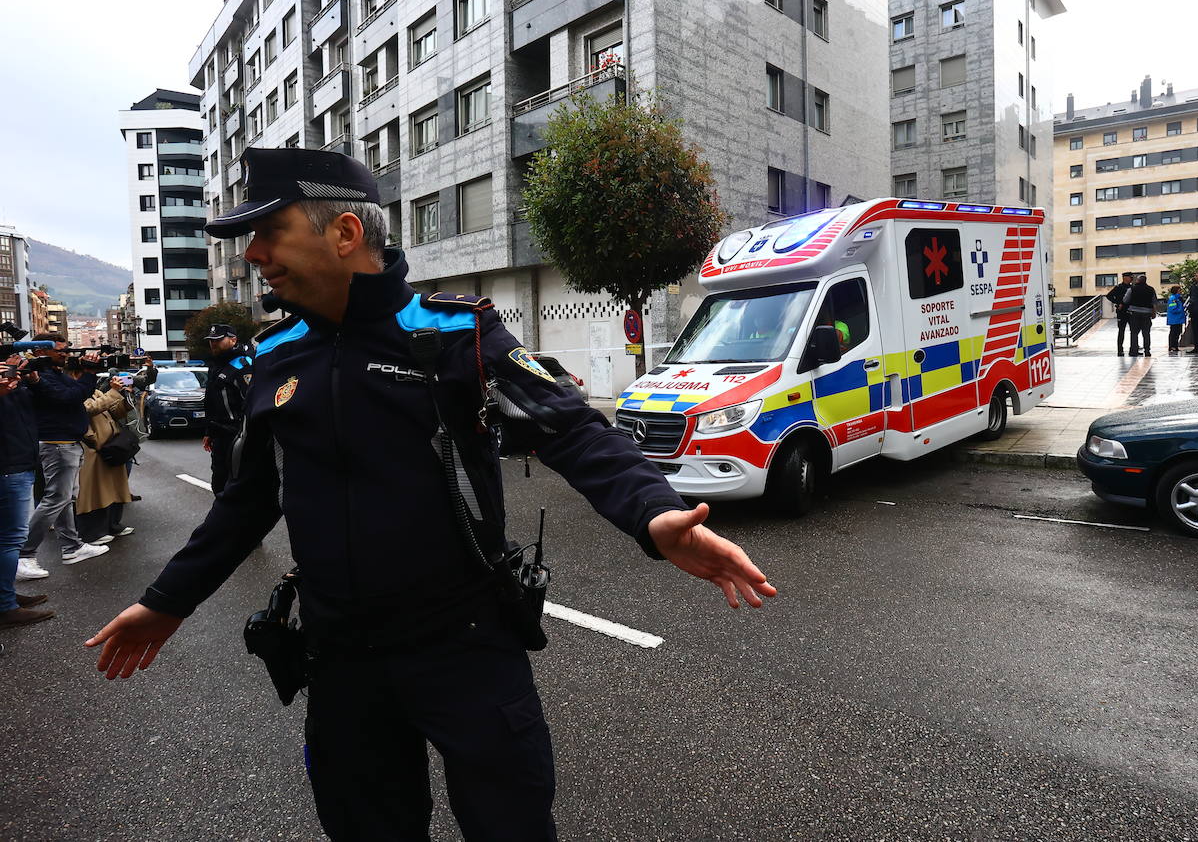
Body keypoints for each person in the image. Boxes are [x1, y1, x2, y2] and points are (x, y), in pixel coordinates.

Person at [86, 146, 776, 842]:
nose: (253, 254)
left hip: (467, 646)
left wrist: (654, 513)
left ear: (345, 233)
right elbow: (248, 499)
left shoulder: (454, 334)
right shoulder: (274, 355)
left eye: (270, 232)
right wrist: (166, 601)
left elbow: (570, 428)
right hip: (341, 660)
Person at [16, 336, 109, 579]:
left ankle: (72, 547)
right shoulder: (39, 377)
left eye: (66, 350)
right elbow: (70, 397)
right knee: (55, 499)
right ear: (40, 351)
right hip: (57, 444)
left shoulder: (55, 374)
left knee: (66, 498)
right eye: (60, 351)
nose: (65, 354)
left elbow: (76, 393)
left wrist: (85, 376)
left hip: (68, 443)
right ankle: (24, 555)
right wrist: (88, 374)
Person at [0, 352, 52, 627]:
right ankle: (5, 606)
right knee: (10, 540)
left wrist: (30, 379)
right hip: (9, 466)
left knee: (7, 539)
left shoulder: (14, 384)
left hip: (20, 461)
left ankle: (6, 596)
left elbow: (44, 404)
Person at [74, 373, 142, 546]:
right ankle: (91, 533)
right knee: (95, 491)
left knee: (114, 488)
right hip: (93, 448)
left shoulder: (94, 391)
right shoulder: (75, 392)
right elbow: (91, 408)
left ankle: (112, 525)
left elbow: (113, 412)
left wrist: (126, 397)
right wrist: (113, 391)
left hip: (111, 446)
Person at [202, 324, 254, 495]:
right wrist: (209, 431)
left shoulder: (242, 365)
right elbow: (212, 402)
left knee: (238, 486)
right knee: (219, 484)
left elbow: (252, 402)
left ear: (233, 340)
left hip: (239, 435)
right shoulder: (216, 365)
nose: (213, 344)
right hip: (220, 436)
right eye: (211, 340)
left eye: (218, 340)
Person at [1124, 274, 1157, 357]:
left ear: (1138, 280)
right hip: (1147, 313)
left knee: (1134, 333)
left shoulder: (1132, 289)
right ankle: (1147, 351)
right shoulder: (1151, 289)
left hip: (1134, 313)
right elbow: (1154, 302)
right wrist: (1154, 312)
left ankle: (1134, 351)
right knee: (1146, 333)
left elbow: (1125, 300)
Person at [1105, 273, 1134, 356]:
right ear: (1125, 278)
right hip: (1122, 312)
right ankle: (1120, 350)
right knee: (1121, 331)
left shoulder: (1132, 287)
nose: (1131, 279)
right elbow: (1109, 296)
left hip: (1131, 310)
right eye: (1130, 277)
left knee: (1134, 331)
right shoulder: (1119, 287)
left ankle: (1133, 349)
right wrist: (1117, 303)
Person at [1165, 285, 1187, 352]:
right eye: (1180, 290)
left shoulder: (1178, 298)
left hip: (1178, 319)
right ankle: (1172, 346)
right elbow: (1172, 309)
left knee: (1177, 333)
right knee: (1174, 333)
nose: (1181, 291)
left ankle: (1175, 346)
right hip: (1175, 319)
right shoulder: (1173, 298)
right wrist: (1181, 310)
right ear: (1176, 290)